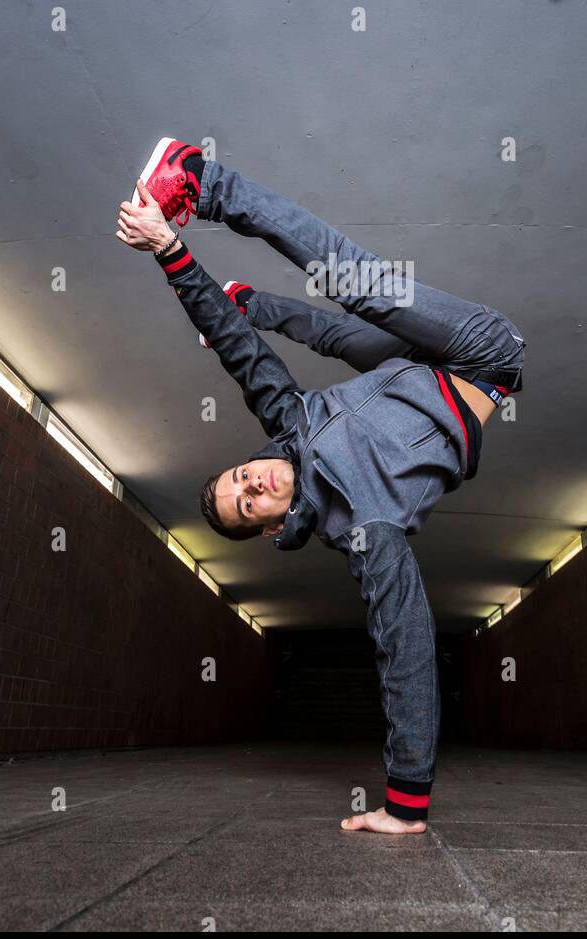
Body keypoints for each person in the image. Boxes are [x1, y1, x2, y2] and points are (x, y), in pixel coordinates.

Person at [116, 139, 526, 834]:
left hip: (418, 359)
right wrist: (405, 801)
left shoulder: (290, 422)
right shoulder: (368, 531)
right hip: (485, 360)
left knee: (341, 326)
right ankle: (205, 191)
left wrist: (169, 251)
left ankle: (232, 258)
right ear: (274, 526)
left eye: (244, 474)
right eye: (251, 501)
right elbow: (405, 648)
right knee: (357, 299)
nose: (258, 479)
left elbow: (243, 362)